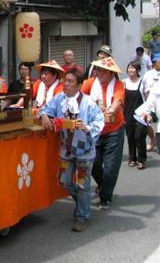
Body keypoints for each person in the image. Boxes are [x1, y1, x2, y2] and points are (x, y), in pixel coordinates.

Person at [38, 69, 104, 232]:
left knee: (82, 185)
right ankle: (83, 203)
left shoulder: (88, 103)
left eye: (70, 81)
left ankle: (82, 216)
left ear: (79, 85)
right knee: (64, 181)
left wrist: (87, 128)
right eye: (64, 81)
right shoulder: (59, 99)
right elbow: (45, 109)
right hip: (66, 150)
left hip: (85, 151)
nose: (65, 84)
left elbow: (99, 121)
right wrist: (45, 116)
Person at [81, 57, 125, 210]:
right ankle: (103, 185)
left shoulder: (119, 85)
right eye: (97, 70)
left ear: (111, 73)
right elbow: (80, 96)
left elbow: (117, 101)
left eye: (102, 71)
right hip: (95, 130)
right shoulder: (90, 83)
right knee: (93, 163)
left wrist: (110, 110)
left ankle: (105, 196)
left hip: (114, 130)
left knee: (111, 167)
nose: (98, 73)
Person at [122, 62, 147, 169]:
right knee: (130, 136)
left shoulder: (142, 82)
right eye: (129, 68)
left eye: (133, 68)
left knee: (139, 136)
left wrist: (148, 112)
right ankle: (132, 158)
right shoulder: (124, 82)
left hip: (141, 113)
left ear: (138, 70)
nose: (130, 70)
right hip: (127, 113)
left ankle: (141, 159)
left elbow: (147, 98)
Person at [141, 53, 160, 151]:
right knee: (146, 123)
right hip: (150, 102)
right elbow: (144, 90)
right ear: (154, 62)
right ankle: (152, 140)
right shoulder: (148, 74)